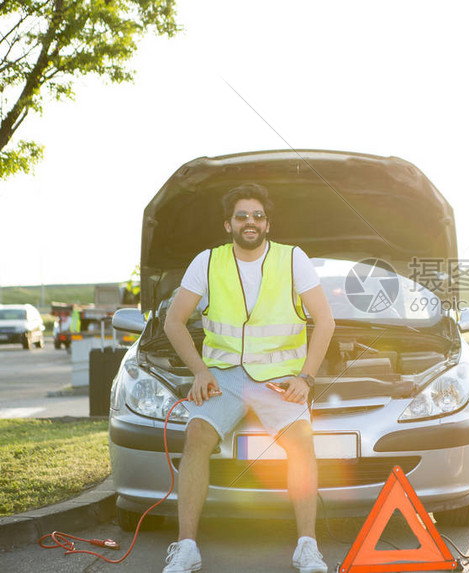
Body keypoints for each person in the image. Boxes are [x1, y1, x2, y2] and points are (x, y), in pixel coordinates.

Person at [161, 183, 335, 573]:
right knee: (196, 436)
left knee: (302, 443)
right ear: (229, 224)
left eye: (257, 215)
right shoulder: (207, 262)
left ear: (267, 223)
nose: (250, 222)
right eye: (242, 215)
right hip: (223, 378)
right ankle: (186, 548)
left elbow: (326, 321)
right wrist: (200, 371)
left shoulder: (294, 259)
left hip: (278, 379)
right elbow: (173, 321)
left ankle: (307, 547)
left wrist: (306, 377)